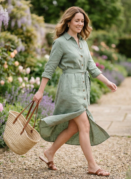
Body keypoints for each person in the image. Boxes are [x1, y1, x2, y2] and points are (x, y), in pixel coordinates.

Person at [32, 6, 117, 177]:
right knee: (84, 124)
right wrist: (40, 91)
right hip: (69, 88)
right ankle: (92, 166)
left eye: (82, 21)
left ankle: (49, 153)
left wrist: (107, 82)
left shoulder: (83, 42)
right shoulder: (60, 42)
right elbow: (49, 68)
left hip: (83, 88)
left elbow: (91, 67)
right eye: (77, 20)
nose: (80, 23)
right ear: (68, 21)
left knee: (73, 127)